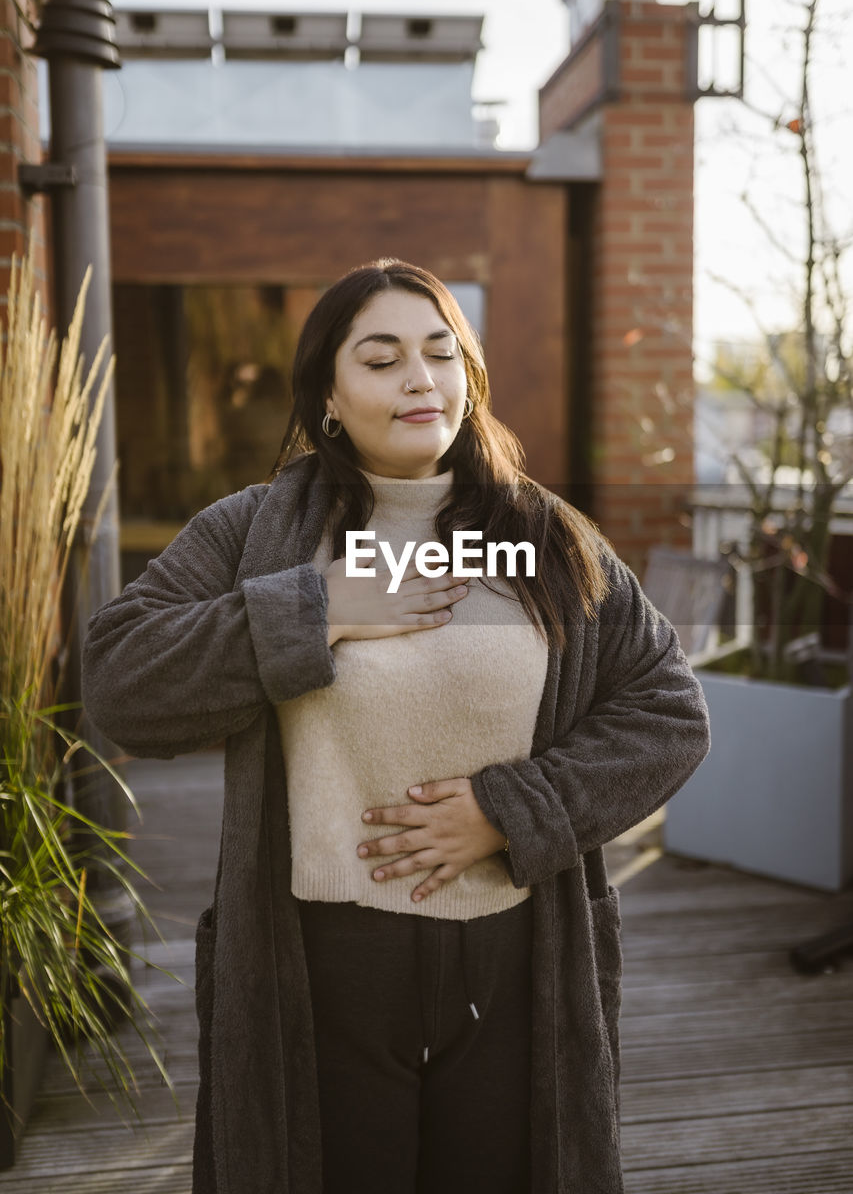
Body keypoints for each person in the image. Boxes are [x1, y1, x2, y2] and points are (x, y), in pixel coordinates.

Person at [81, 259, 711, 1194]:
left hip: (514, 957)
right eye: (381, 359)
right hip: (321, 960)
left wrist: (512, 810)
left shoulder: (542, 537)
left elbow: (667, 709)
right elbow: (119, 681)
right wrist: (316, 607)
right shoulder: (258, 533)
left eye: (440, 352)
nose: (421, 379)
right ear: (329, 397)